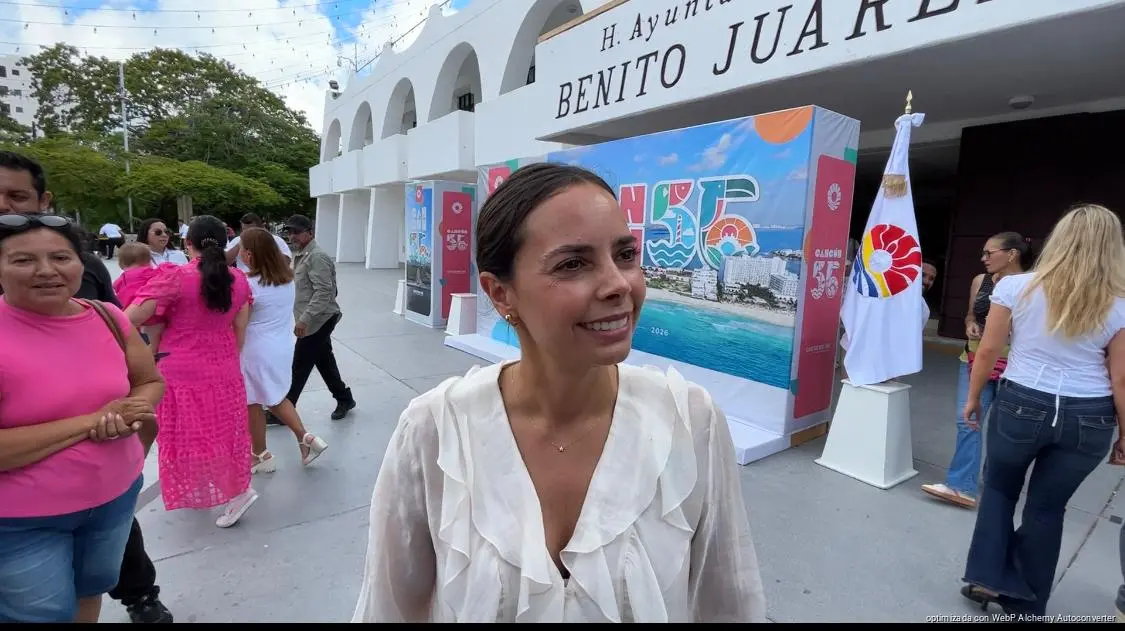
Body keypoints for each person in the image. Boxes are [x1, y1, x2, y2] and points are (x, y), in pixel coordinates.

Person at [351, 163, 767, 623]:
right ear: (500, 294)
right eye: (573, 264)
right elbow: (387, 611)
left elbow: (730, 603)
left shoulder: (689, 421)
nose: (618, 284)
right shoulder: (436, 433)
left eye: (625, 255)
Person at [0, 150, 174, 623]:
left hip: (112, 499)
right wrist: (93, 422)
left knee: (88, 592)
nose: (46, 270)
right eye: (23, 260)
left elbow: (148, 381)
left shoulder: (106, 315)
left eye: (61, 257)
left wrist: (132, 410)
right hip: (22, 520)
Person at [960, 204, 1125, 616]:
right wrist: (1124, 434)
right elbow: (1120, 377)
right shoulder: (1119, 302)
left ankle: (987, 578)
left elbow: (989, 350)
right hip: (1090, 416)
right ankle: (1027, 606)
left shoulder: (1016, 287)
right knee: (1048, 508)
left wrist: (974, 397)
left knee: (999, 490)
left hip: (1022, 401)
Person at [125, 215, 257, 528]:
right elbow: (240, 329)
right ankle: (232, 487)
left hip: (181, 370)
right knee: (224, 433)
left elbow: (129, 317)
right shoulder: (239, 280)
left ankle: (232, 491)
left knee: (190, 434)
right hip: (224, 367)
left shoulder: (176, 277)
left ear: (188, 243)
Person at [922, 233, 1029, 509]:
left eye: (989, 253)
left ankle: (996, 484)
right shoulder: (980, 281)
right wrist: (970, 324)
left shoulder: (1033, 286)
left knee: (1003, 430)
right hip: (974, 358)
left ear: (1012, 254)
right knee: (967, 420)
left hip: (1015, 367)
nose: (983, 258)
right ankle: (962, 486)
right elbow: (971, 313)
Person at [237, 227, 328, 473]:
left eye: (242, 249)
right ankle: (281, 446)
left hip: (254, 349)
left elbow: (241, 323)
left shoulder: (248, 285)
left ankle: (271, 450)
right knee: (272, 396)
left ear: (249, 254)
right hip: (281, 346)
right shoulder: (286, 279)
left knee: (256, 401)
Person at [276, 214, 355, 421]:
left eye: (297, 232)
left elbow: (325, 292)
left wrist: (305, 319)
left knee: (299, 365)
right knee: (324, 361)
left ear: (309, 233)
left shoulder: (316, 257)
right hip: (312, 317)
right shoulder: (302, 254)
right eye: (290, 232)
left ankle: (285, 411)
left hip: (319, 319)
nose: (292, 236)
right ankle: (344, 398)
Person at [226, 212, 291, 273]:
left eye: (251, 230)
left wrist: (267, 247)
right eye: (244, 230)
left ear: (261, 228)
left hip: (269, 278)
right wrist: (239, 245)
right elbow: (226, 261)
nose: (247, 233)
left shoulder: (276, 240)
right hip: (244, 279)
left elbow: (287, 262)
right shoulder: (238, 240)